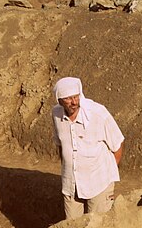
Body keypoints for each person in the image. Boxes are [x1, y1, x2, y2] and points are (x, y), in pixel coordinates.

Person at [52, 76, 124, 220]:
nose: (73, 102)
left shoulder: (98, 113)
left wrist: (107, 173)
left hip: (100, 183)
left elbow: (118, 143)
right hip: (71, 183)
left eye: (76, 97)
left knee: (97, 227)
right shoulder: (56, 114)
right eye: (68, 99)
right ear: (59, 101)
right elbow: (60, 144)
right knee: (71, 227)